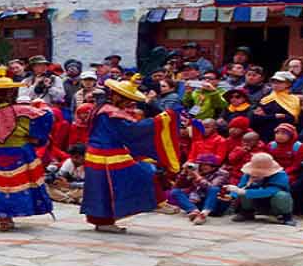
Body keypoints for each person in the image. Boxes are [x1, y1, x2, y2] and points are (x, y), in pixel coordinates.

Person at [81, 78, 180, 233]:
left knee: (103, 189)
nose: (128, 104)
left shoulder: (102, 108)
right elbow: (132, 131)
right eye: (127, 100)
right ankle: (157, 202)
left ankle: (103, 220)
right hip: (108, 156)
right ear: (116, 96)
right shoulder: (111, 113)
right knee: (142, 174)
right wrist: (159, 121)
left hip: (98, 153)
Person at [0, 69, 54, 231]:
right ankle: (12, 213)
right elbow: (47, 118)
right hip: (19, 152)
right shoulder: (23, 111)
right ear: (11, 92)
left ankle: (3, 216)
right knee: (17, 184)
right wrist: (35, 138)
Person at [225, 152, 296, 224]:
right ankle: (247, 212)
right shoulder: (248, 174)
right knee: (244, 191)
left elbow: (270, 191)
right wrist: (232, 195)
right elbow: (241, 186)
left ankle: (286, 216)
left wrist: (244, 192)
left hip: (274, 204)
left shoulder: (280, 176)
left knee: (282, 195)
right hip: (255, 203)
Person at [167, 154, 230, 224]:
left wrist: (197, 176)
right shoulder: (196, 171)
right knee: (175, 192)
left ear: (214, 167)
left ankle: (204, 214)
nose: (202, 167)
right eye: (201, 164)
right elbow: (178, 186)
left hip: (215, 205)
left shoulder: (222, 174)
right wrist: (184, 173)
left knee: (214, 189)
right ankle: (194, 211)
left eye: (206, 165)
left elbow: (211, 187)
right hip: (198, 202)